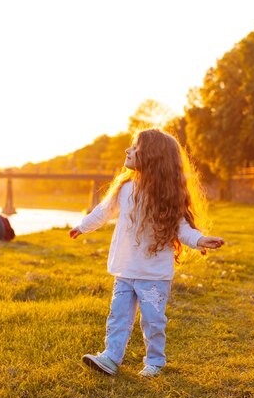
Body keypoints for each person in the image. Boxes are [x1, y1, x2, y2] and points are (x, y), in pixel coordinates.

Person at [70, 129, 224, 378]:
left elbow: (181, 228)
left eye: (134, 147)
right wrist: (82, 226)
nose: (127, 151)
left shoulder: (166, 195)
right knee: (118, 317)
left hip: (153, 275)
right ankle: (110, 357)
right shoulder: (124, 187)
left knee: (152, 321)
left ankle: (155, 361)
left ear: (152, 156)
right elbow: (103, 210)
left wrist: (200, 239)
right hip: (124, 270)